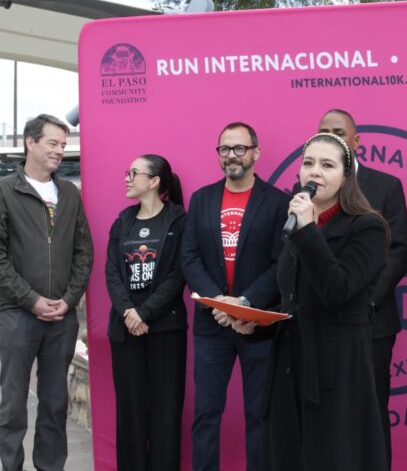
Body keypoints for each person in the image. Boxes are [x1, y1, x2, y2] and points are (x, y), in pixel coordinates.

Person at [242, 132, 389, 471]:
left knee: (332, 456)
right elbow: (294, 301)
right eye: (308, 163)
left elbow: (337, 291)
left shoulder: (367, 227)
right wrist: (256, 323)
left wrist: (308, 230)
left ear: (346, 175)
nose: (315, 172)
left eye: (327, 165)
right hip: (290, 364)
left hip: (337, 368)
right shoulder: (296, 227)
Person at [181, 122, 288, 471]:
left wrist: (243, 303)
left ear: (255, 152)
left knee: (260, 413)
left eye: (239, 148)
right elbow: (189, 257)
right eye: (225, 149)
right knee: (206, 413)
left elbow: (281, 263)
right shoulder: (202, 199)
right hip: (212, 325)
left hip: (257, 324)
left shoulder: (278, 202)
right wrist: (219, 302)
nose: (232, 156)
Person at [316, 109, 407, 469]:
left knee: (370, 413)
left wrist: (363, 301)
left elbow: (399, 253)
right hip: (319, 323)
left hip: (371, 322)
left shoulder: (385, 186)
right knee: (324, 416)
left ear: (356, 141)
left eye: (338, 132)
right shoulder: (304, 191)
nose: (331, 136)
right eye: (324, 131)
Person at [0, 114, 94, 471]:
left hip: (61, 318)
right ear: (31, 142)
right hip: (16, 314)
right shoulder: (5, 190)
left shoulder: (69, 193)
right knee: (12, 405)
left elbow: (84, 252)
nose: (60, 151)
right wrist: (31, 300)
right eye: (53, 143)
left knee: (55, 403)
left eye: (63, 144)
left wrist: (68, 300)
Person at [105, 154, 187, 471]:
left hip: (165, 329)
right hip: (126, 330)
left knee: (166, 411)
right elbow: (112, 272)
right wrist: (129, 312)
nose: (127, 178)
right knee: (130, 412)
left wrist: (145, 313)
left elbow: (178, 274)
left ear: (154, 181)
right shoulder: (123, 221)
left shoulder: (178, 220)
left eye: (134, 173)